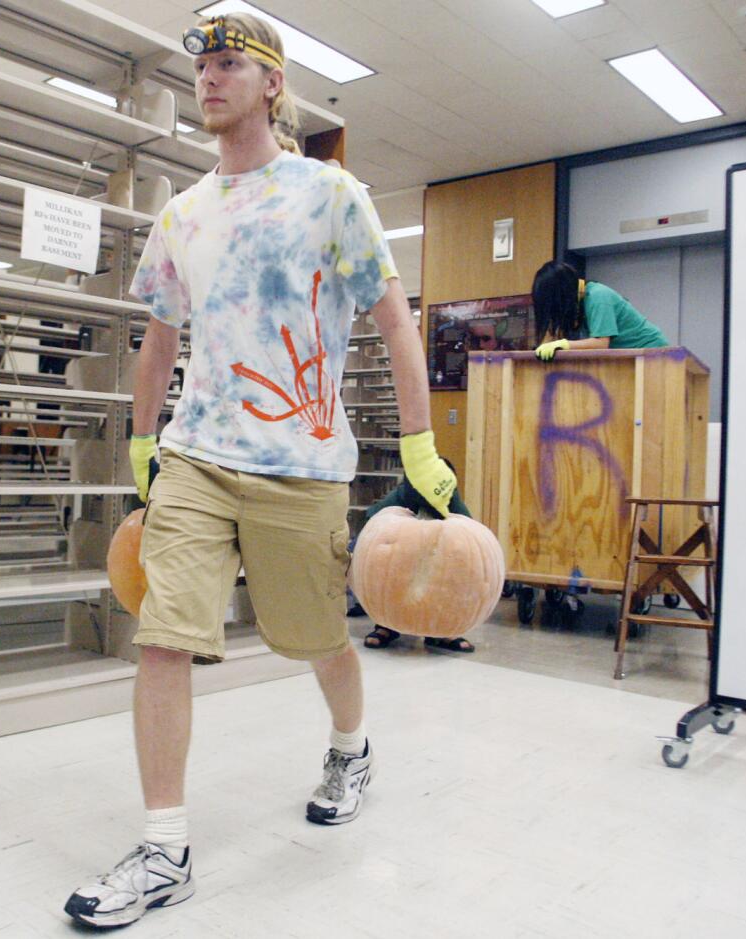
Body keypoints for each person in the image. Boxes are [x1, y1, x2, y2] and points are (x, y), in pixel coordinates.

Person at [64, 12, 456, 930]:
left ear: (272, 83)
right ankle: (164, 848)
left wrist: (418, 442)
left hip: (303, 463)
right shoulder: (181, 213)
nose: (207, 78)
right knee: (164, 636)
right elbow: (159, 341)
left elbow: (397, 322)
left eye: (229, 63)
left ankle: (350, 748)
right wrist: (141, 443)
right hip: (197, 458)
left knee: (315, 637)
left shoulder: (331, 194)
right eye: (200, 64)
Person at [359, 466, 477, 654]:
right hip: (400, 553)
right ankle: (386, 624)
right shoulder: (403, 496)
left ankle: (441, 630)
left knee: (445, 579)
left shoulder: (449, 496)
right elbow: (374, 517)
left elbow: (468, 527)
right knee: (390, 576)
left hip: (438, 553)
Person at [530, 260, 669, 361]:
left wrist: (564, 344)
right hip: (631, 355)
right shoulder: (580, 301)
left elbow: (601, 343)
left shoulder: (597, 296)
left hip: (653, 352)